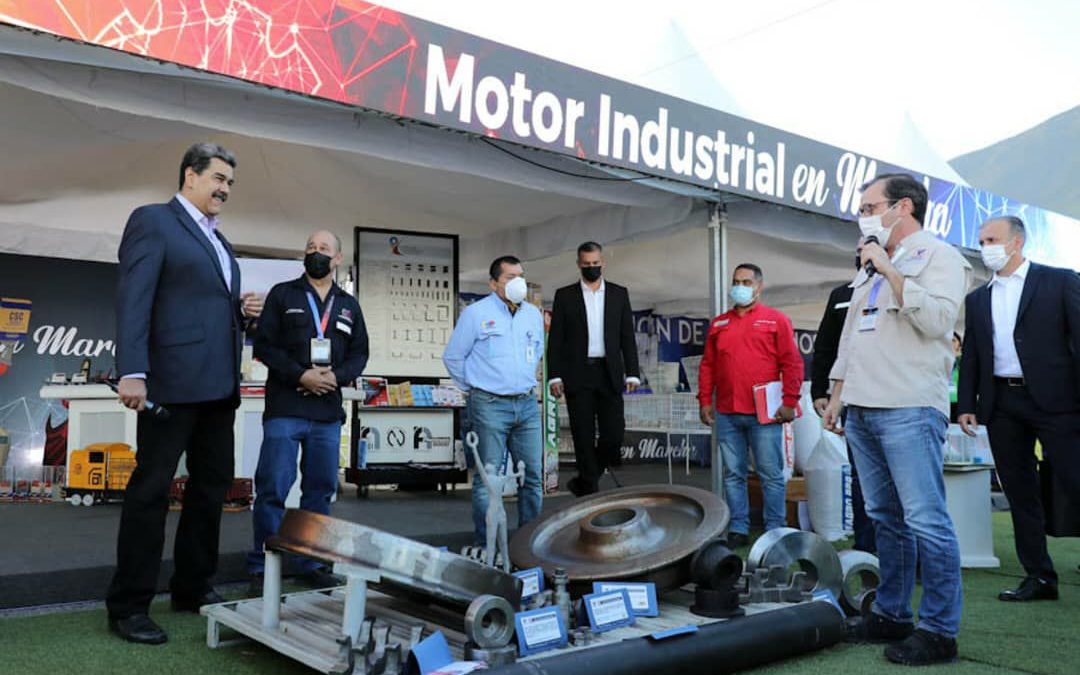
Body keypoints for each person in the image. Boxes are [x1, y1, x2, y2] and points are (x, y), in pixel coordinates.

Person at [108, 143, 263, 644]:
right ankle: (128, 606)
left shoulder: (221, 240)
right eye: (218, 178)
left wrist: (240, 311)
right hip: (170, 385)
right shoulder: (153, 220)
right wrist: (133, 371)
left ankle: (192, 587)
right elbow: (135, 298)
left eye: (230, 182)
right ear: (190, 176)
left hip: (218, 388)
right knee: (151, 492)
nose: (225, 189)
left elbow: (198, 305)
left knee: (211, 489)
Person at [824, 173, 970, 666]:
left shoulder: (941, 256)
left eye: (870, 207)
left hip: (909, 406)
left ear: (902, 207)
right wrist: (837, 394)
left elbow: (939, 321)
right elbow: (852, 336)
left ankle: (940, 630)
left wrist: (889, 270)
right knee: (885, 517)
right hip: (862, 407)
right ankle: (891, 613)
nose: (862, 216)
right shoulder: (869, 267)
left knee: (926, 519)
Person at [957, 216, 1080, 602]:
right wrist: (966, 404)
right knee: (1020, 491)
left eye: (992, 239)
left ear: (1017, 242)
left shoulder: (1059, 281)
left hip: (1059, 401)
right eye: (981, 241)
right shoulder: (977, 298)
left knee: (1075, 481)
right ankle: (1039, 577)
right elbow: (972, 354)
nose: (985, 247)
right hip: (1002, 403)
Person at [246, 230, 369, 593]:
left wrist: (335, 376)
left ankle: (311, 563)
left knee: (319, 491)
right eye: (311, 247)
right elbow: (265, 346)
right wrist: (301, 374)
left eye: (324, 249)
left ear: (338, 259)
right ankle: (263, 566)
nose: (316, 253)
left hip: (326, 414)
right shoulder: (283, 295)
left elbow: (360, 354)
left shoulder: (348, 305)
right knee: (272, 488)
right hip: (285, 409)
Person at [698, 263, 803, 547]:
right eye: (736, 282)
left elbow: (792, 363)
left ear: (759, 286)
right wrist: (705, 400)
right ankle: (738, 528)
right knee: (733, 474)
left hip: (765, 414)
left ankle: (774, 529)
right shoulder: (719, 324)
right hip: (727, 411)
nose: (740, 287)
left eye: (746, 282)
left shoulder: (775, 320)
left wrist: (790, 401)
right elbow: (708, 366)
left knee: (770, 474)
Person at [443, 256, 545, 547]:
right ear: (493, 283)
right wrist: (474, 388)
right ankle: (485, 544)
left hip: (527, 404)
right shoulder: (476, 314)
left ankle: (528, 545)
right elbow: (453, 357)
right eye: (510, 277)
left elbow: (537, 350)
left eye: (520, 276)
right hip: (489, 404)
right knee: (489, 478)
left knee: (532, 477)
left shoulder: (533, 314)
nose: (518, 283)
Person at [547, 242, 641, 496]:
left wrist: (633, 372)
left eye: (595, 263)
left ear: (603, 262)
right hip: (578, 373)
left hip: (609, 373)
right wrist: (554, 376)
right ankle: (589, 490)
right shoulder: (565, 295)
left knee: (614, 434)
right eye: (587, 264)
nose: (592, 267)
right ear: (579, 264)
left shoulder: (619, 294)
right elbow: (556, 340)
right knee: (583, 435)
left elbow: (627, 336)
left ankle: (585, 481)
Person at [811, 237, 874, 553]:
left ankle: (904, 550)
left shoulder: (899, 288)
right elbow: (825, 346)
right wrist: (819, 390)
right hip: (850, 397)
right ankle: (866, 546)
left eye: (869, 248)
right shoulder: (841, 296)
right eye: (859, 250)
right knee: (861, 477)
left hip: (895, 397)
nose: (863, 254)